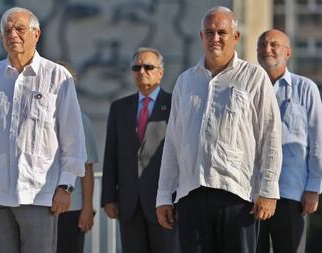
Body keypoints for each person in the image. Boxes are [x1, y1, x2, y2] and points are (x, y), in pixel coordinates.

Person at [156, 6, 283, 253]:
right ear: (201, 36)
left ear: (235, 37)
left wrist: (268, 191)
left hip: (237, 194)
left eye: (222, 32)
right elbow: (172, 141)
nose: (215, 38)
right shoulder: (185, 81)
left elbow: (271, 136)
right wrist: (163, 195)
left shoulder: (254, 77)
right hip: (190, 194)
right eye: (209, 32)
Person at [0, 7, 87, 253]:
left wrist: (66, 186)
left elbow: (73, 137)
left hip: (39, 193)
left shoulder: (57, 76)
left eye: (19, 29)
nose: (13, 35)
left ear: (36, 34)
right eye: (7, 30)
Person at [101, 47, 180, 253]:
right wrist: (108, 197)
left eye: (148, 67)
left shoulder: (174, 105)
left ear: (160, 72)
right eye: (137, 67)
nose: (142, 71)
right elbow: (111, 155)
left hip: (164, 203)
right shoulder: (119, 107)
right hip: (129, 204)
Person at [256, 29, 322, 253]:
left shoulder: (306, 89)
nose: (268, 49)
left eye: (274, 45)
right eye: (263, 45)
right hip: (253, 191)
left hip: (292, 192)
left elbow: (318, 141)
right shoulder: (248, 90)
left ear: (288, 52)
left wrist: (314, 187)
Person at [56, 62, 98, 253]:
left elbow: (87, 169)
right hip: (39, 206)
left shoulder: (82, 120)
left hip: (72, 208)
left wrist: (87, 208)